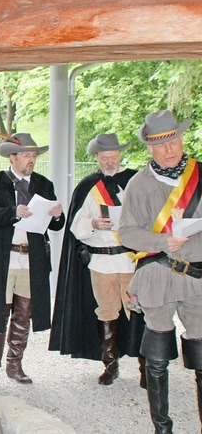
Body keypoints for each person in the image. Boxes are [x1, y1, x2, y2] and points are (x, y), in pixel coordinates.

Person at [118, 110, 202, 434]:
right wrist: (162, 240)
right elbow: (127, 233)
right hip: (157, 276)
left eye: (175, 140)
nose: (171, 149)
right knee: (157, 355)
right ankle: (162, 427)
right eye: (163, 144)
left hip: (196, 278)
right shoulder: (138, 184)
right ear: (150, 148)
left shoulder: (198, 176)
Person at [49, 133, 146, 386]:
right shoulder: (89, 186)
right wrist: (93, 223)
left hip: (130, 261)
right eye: (105, 158)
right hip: (101, 263)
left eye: (113, 157)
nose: (110, 162)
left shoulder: (136, 181)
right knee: (106, 312)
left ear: (120, 156)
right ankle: (110, 364)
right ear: (97, 158)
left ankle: (147, 366)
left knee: (140, 311)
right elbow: (76, 225)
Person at [0, 132, 65, 392]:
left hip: (31, 258)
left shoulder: (44, 184)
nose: (31, 160)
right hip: (4, 257)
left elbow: (56, 225)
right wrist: (13, 212)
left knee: (24, 314)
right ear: (12, 157)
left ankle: (15, 364)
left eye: (33, 155)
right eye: (25, 155)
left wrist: (57, 215)